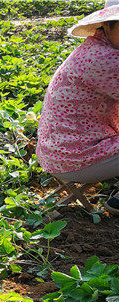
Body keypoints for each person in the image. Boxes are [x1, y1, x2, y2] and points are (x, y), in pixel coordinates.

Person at [35, 0, 119, 214]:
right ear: (107, 25)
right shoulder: (106, 59)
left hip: (60, 151)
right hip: (75, 158)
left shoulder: (97, 47)